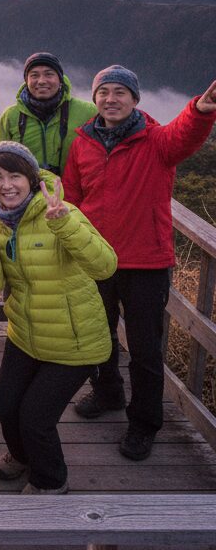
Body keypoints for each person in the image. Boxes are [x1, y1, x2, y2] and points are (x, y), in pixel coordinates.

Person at [63, 66, 216, 461]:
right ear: (94, 99)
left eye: (120, 92)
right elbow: (73, 199)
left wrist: (201, 109)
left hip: (146, 261)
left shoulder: (156, 141)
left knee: (146, 350)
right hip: (97, 258)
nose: (110, 99)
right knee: (98, 338)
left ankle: (144, 423)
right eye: (103, 92)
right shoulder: (82, 144)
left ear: (135, 99)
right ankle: (108, 391)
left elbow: (184, 135)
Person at [0, 142, 116, 494]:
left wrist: (65, 226)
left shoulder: (60, 212)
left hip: (75, 340)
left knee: (35, 419)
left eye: (15, 175)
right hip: (25, 333)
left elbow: (105, 266)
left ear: (31, 178)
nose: (6, 185)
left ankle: (50, 481)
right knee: (5, 405)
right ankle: (22, 455)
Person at [0, 52, 95, 174]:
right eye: (34, 75)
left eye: (49, 74)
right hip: (26, 192)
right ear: (26, 81)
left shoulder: (89, 112)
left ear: (60, 79)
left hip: (75, 191)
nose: (41, 81)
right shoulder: (11, 115)